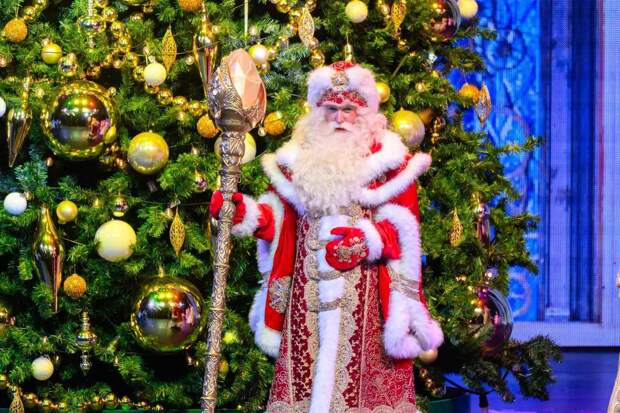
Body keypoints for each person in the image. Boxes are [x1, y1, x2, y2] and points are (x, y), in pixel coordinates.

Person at [210, 61, 443, 412]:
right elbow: (280, 222)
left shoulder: (391, 163)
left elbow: (404, 228)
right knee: (306, 379)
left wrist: (367, 240)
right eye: (331, 109)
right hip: (307, 297)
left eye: (348, 109)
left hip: (367, 299)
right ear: (317, 112)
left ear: (365, 113)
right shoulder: (298, 160)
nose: (339, 118)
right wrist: (247, 214)